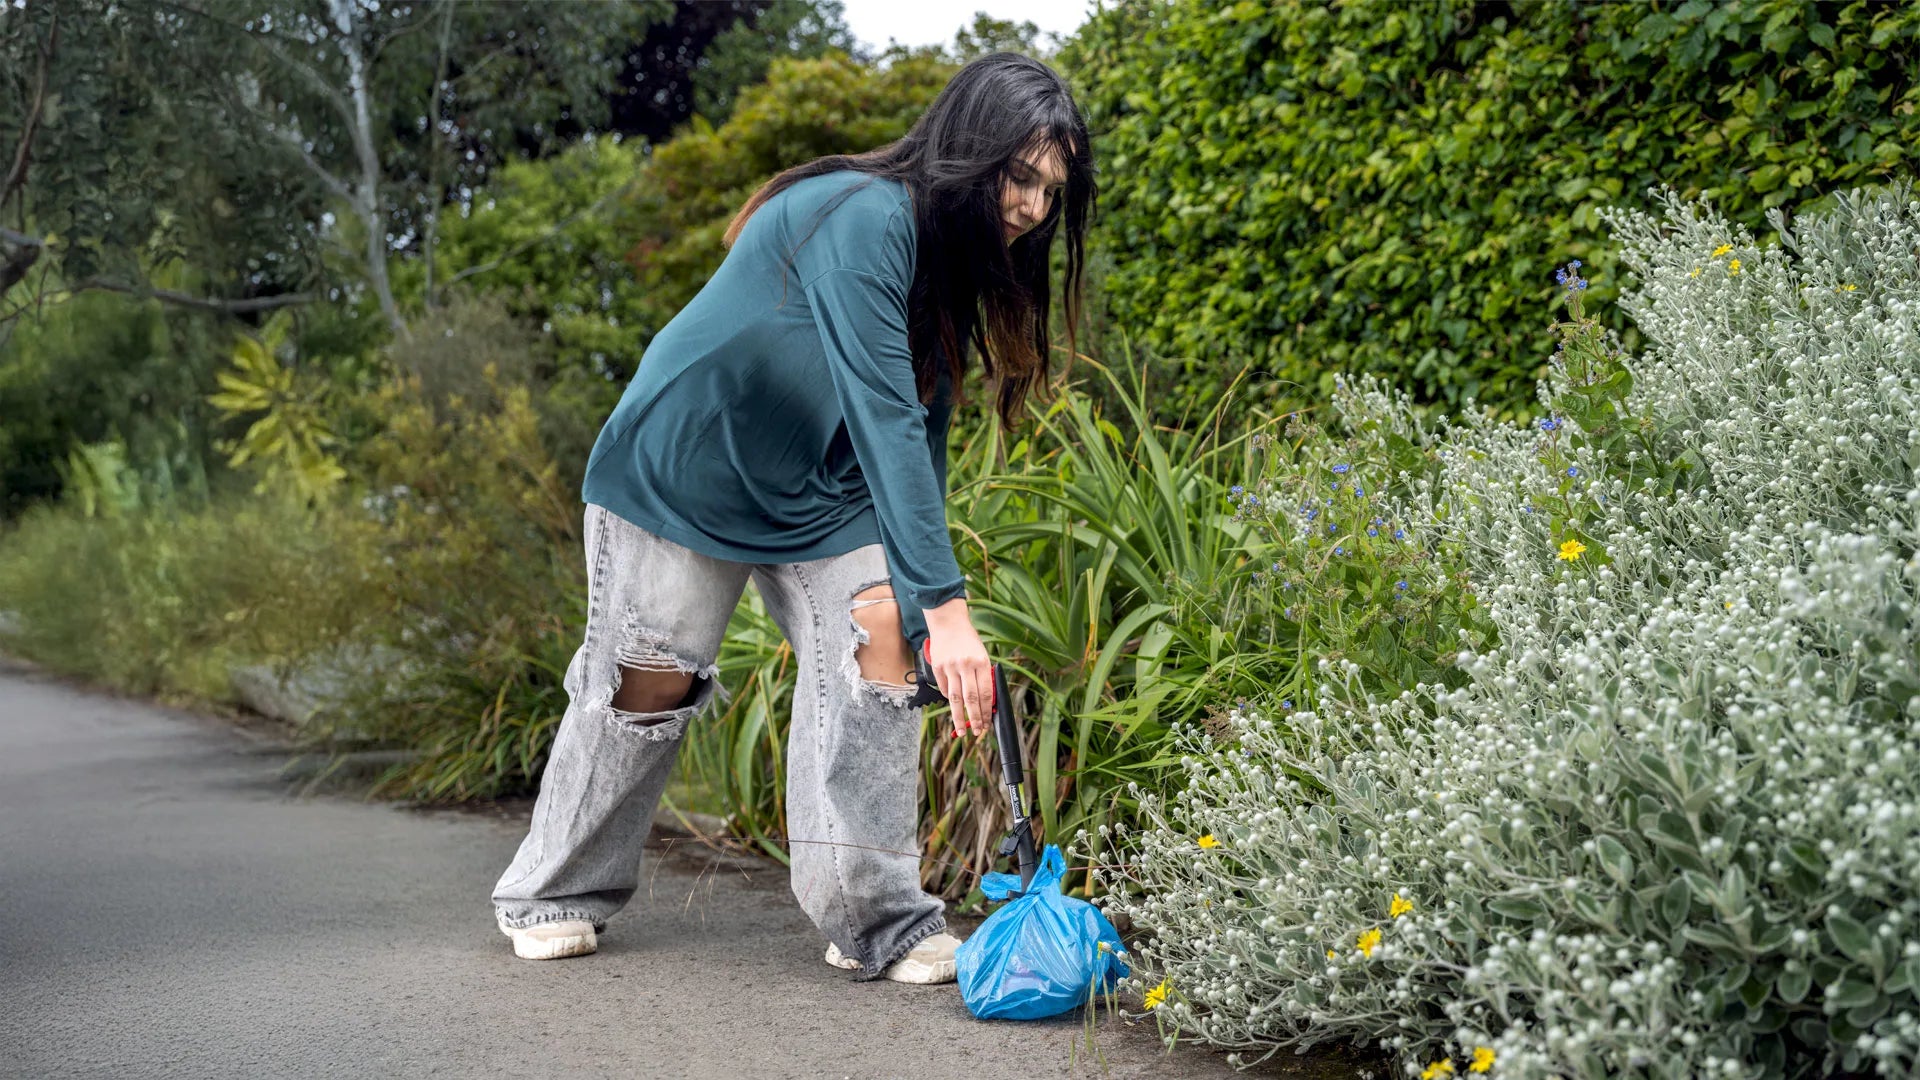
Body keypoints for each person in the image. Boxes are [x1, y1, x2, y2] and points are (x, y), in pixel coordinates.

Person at [490, 51, 1095, 984]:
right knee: (650, 678)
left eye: (1052, 190)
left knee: (882, 635)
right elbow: (883, 414)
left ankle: (878, 919)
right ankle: (553, 891)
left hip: (820, 488)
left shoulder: (948, 262)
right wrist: (955, 613)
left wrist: (922, 597)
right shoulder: (863, 216)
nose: (1033, 208)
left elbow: (918, 428)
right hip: (689, 466)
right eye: (1021, 176)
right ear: (969, 149)